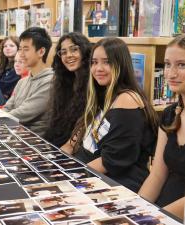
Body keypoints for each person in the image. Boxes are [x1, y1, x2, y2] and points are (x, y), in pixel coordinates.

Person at [62, 38, 158, 193]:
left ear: (121, 64)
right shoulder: (102, 95)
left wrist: (67, 177)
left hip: (112, 184)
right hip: (87, 174)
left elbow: (110, 161)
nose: (98, 68)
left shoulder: (127, 100)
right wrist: (57, 164)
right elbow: (74, 141)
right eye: (94, 62)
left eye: (106, 62)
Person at [138, 35, 185, 207]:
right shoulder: (169, 114)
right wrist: (137, 210)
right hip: (161, 209)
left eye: (182, 65)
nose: (171, 73)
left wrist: (160, 217)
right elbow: (157, 174)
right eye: (167, 64)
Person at [3, 27, 53, 137]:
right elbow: (7, 108)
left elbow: (23, 113)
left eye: (26, 49)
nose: (20, 54)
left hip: (34, 142)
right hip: (13, 135)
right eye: (20, 49)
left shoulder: (50, 81)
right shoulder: (22, 82)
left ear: (41, 51)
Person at [44, 32, 91, 147]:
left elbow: (85, 127)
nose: (68, 55)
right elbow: (56, 124)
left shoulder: (93, 83)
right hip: (59, 145)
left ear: (84, 51)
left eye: (74, 49)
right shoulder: (63, 82)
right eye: (63, 52)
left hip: (78, 148)